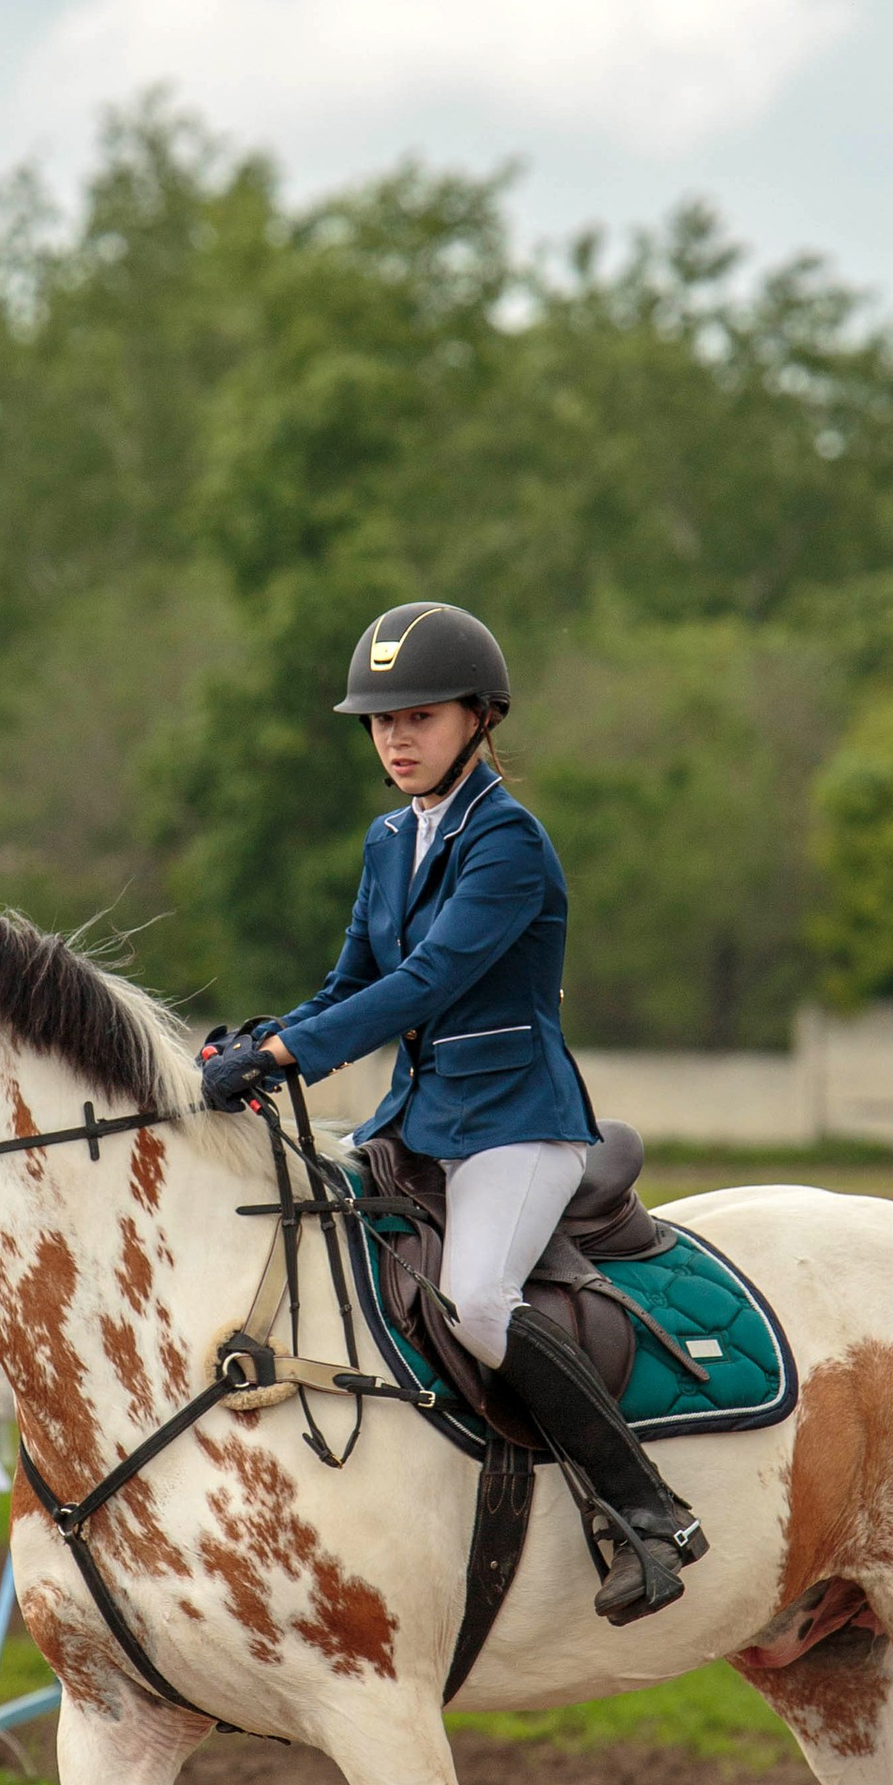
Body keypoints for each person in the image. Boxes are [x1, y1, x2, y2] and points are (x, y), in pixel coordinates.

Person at [200, 599, 702, 1627]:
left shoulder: (507, 841)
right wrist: (259, 1040)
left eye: (419, 717)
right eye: (381, 722)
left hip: (518, 1123)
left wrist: (292, 1055)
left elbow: (427, 980)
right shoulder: (390, 838)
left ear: (480, 717)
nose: (396, 739)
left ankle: (648, 1512)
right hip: (417, 1120)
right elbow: (350, 981)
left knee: (476, 1300)